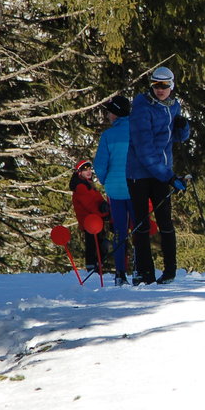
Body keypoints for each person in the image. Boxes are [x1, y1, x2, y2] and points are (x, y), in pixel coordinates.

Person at [126, 66, 190, 285]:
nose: (160, 90)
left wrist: (183, 128)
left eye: (164, 86)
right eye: (156, 85)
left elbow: (176, 138)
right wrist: (169, 176)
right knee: (142, 224)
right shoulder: (142, 108)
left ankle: (170, 271)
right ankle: (145, 272)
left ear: (171, 86)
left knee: (165, 222)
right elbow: (145, 150)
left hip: (162, 172)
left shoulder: (173, 106)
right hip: (139, 174)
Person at [94, 95, 135, 285]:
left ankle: (120, 273)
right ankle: (141, 269)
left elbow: (100, 165)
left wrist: (105, 181)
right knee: (139, 229)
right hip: (135, 187)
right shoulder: (136, 131)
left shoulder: (108, 136)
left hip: (115, 190)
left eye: (110, 112)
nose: (108, 115)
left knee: (119, 231)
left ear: (116, 114)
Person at [70, 159, 110, 271]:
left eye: (89, 169)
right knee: (94, 245)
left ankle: (97, 266)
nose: (88, 172)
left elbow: (96, 201)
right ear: (79, 172)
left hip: (95, 220)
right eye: (85, 170)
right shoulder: (81, 187)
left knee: (99, 244)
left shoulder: (88, 184)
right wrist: (105, 212)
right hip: (90, 222)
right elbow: (90, 205)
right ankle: (93, 267)